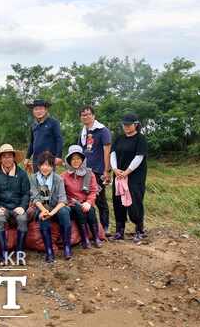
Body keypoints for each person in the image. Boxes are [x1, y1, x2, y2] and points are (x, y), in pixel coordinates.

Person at [0, 144, 30, 265]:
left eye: (10, 156)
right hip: (2, 207)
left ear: (14, 158)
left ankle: (20, 253)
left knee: (23, 219)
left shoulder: (22, 174)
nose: (7, 159)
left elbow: (26, 193)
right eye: (4, 157)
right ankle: (4, 254)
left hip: (17, 207)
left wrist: (23, 207)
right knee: (0, 220)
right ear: (0, 159)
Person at [111, 113, 148, 243]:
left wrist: (127, 172)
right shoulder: (119, 138)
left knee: (134, 202)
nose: (126, 126)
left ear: (135, 124)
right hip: (118, 175)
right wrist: (115, 169)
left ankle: (139, 229)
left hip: (135, 177)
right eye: (124, 124)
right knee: (118, 202)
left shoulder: (140, 139)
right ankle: (119, 230)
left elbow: (139, 157)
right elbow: (113, 153)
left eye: (129, 124)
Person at [77, 106, 112, 236]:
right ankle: (91, 228)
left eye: (88, 114)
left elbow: (107, 151)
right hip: (84, 170)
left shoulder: (102, 130)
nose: (85, 117)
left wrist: (106, 171)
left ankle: (105, 227)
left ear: (94, 115)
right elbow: (79, 152)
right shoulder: (83, 132)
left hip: (98, 171)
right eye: (83, 115)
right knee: (85, 199)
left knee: (100, 199)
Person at [30, 151, 70, 263]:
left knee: (64, 212)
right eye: (42, 165)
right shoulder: (33, 178)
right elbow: (35, 198)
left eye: (48, 165)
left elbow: (63, 200)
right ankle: (49, 251)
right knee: (43, 217)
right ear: (38, 166)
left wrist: (52, 213)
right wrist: (44, 211)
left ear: (53, 166)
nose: (45, 168)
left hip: (56, 208)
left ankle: (67, 248)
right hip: (42, 207)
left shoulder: (58, 179)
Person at [61, 145, 103, 249]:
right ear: (69, 160)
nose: (76, 161)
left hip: (86, 203)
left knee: (91, 211)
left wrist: (88, 202)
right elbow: (62, 193)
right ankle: (85, 239)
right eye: (73, 159)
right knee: (79, 210)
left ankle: (96, 237)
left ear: (82, 160)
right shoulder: (64, 176)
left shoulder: (89, 173)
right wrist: (72, 201)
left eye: (78, 158)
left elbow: (93, 191)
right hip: (72, 203)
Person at [24, 99, 64, 172]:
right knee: (37, 181)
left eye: (41, 109)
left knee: (49, 181)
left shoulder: (53, 122)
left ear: (46, 110)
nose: (38, 111)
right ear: (33, 111)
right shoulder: (33, 125)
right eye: (36, 109)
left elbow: (59, 139)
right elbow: (32, 142)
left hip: (48, 159)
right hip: (36, 159)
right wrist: (27, 158)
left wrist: (58, 156)